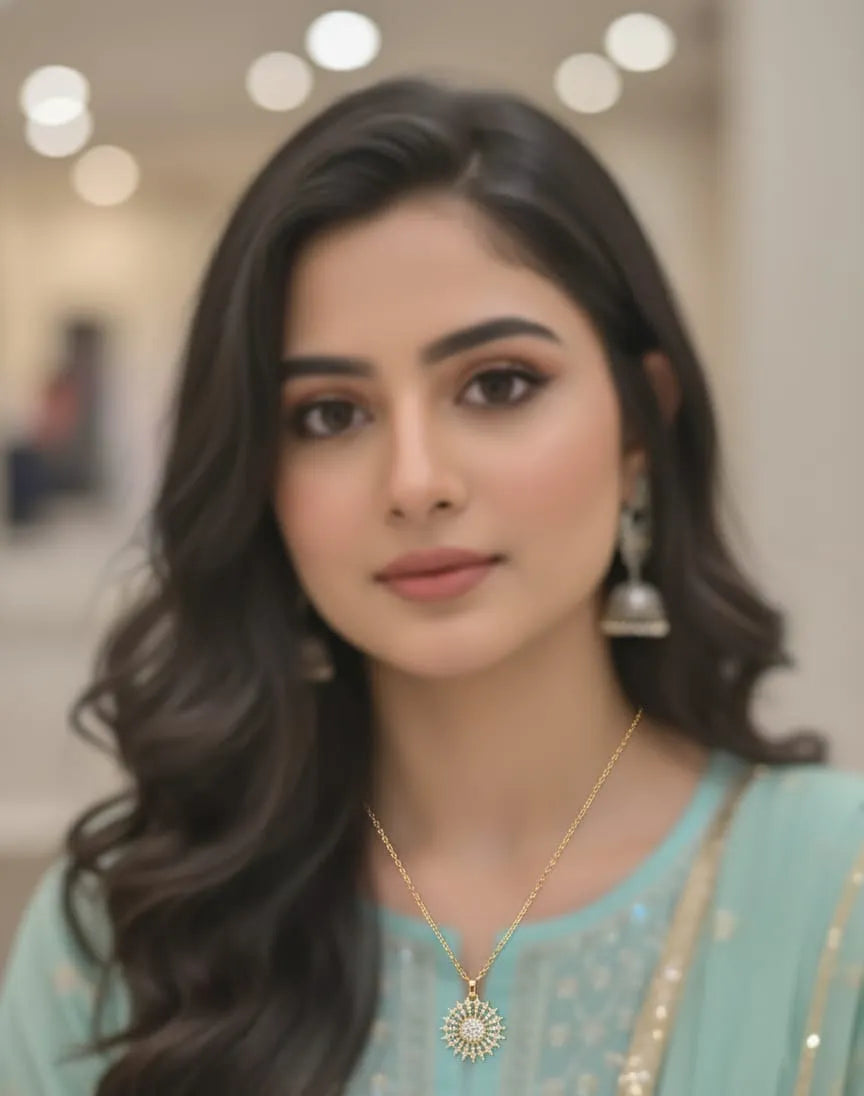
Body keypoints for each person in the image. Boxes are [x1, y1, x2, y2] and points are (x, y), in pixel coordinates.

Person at [1, 74, 862, 1096]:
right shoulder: (126, 931)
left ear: (641, 423)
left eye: (497, 385)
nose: (415, 482)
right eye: (329, 414)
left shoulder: (836, 896)